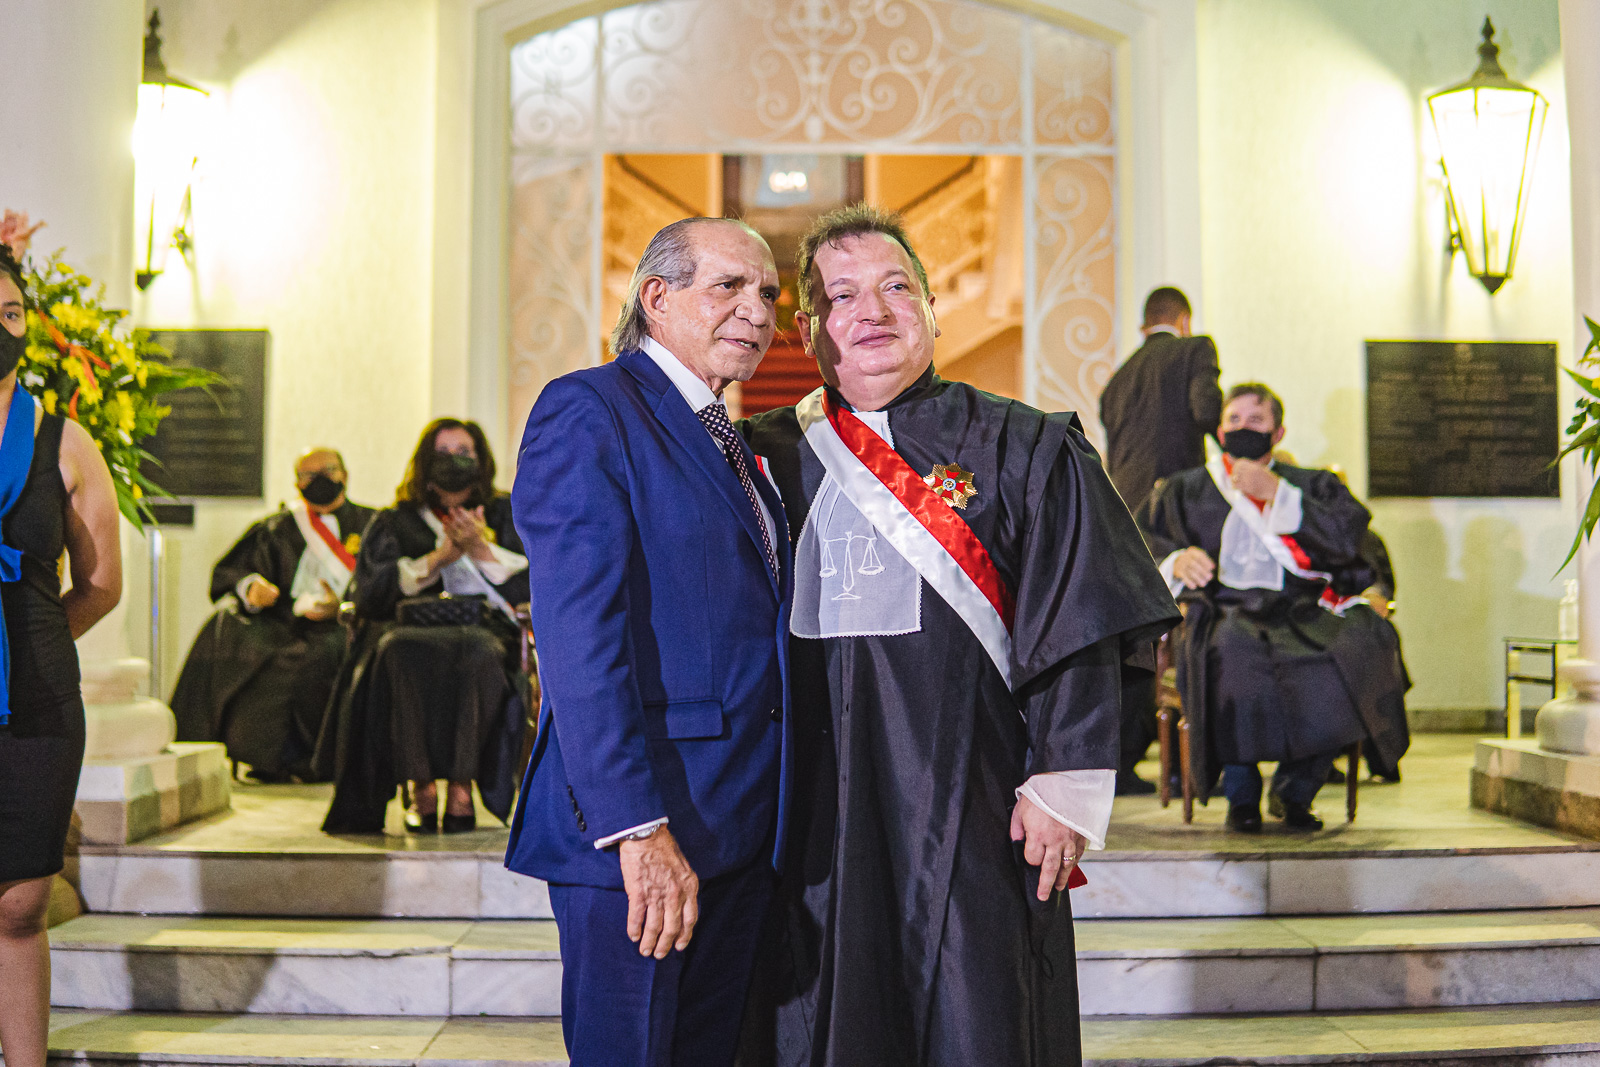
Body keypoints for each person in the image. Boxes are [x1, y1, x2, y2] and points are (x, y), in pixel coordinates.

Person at [741, 205, 1178, 1067]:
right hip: (809, 803)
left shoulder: (1025, 444)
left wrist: (1064, 781)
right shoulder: (765, 456)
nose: (873, 311)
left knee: (978, 1008)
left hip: (978, 792)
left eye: (897, 287)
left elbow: (1080, 608)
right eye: (842, 295)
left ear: (933, 309)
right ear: (809, 327)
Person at [504, 217, 792, 1067]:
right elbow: (578, 640)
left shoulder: (735, 439)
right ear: (657, 297)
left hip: (740, 825)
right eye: (729, 286)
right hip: (640, 832)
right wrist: (636, 827)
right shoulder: (590, 410)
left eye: (769, 293)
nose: (757, 310)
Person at [1138, 383, 1408, 833]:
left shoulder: (1311, 485)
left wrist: (1281, 496)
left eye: (1256, 420)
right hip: (1223, 610)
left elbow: (1352, 539)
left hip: (1300, 610)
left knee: (1356, 652)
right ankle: (1241, 797)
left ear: (1277, 433)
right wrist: (1176, 559)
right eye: (1234, 420)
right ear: (1220, 432)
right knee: (1230, 659)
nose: (1243, 428)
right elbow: (1136, 540)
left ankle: (1295, 791)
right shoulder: (1185, 488)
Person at [0, 245, 122, 1067]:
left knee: (20, 901)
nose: (1, 327)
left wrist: (31, 647)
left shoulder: (65, 441)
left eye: (10, 313)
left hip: (39, 701)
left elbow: (101, 584)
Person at [315, 419, 530, 835]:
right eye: (443, 453)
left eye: (463, 452)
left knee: (480, 653)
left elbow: (536, 583)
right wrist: (438, 559)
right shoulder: (396, 520)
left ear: (480, 459)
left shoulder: (506, 512)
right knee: (400, 651)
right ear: (425, 462)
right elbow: (368, 592)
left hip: (485, 630)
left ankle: (462, 788)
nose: (454, 461)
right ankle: (421, 786)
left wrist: (480, 549)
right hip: (406, 631)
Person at [171, 449, 375, 781]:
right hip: (283, 622)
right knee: (228, 632)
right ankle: (254, 757)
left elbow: (386, 582)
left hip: (346, 623)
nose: (319, 480)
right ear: (297, 484)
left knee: (326, 654)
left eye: (328, 470)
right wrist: (251, 588)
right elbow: (233, 573)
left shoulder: (373, 525)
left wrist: (343, 606)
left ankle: (322, 761)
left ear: (345, 475)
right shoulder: (277, 528)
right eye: (309, 475)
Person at [1098, 286, 1222, 794]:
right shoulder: (1195, 350)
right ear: (1184, 320)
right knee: (1190, 630)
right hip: (1173, 514)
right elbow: (1208, 412)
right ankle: (1189, 764)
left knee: (1138, 638)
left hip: (1124, 517)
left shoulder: (1118, 379)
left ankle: (1124, 761)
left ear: (1145, 325)